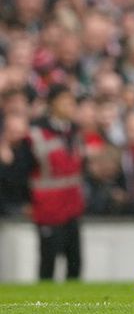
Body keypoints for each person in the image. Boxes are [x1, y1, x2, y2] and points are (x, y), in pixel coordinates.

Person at [13, 84, 84, 280]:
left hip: (72, 207)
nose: (70, 106)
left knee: (75, 261)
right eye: (65, 102)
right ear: (52, 104)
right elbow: (21, 171)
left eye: (72, 102)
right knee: (48, 261)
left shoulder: (74, 132)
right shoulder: (35, 134)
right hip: (47, 209)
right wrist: (25, 201)